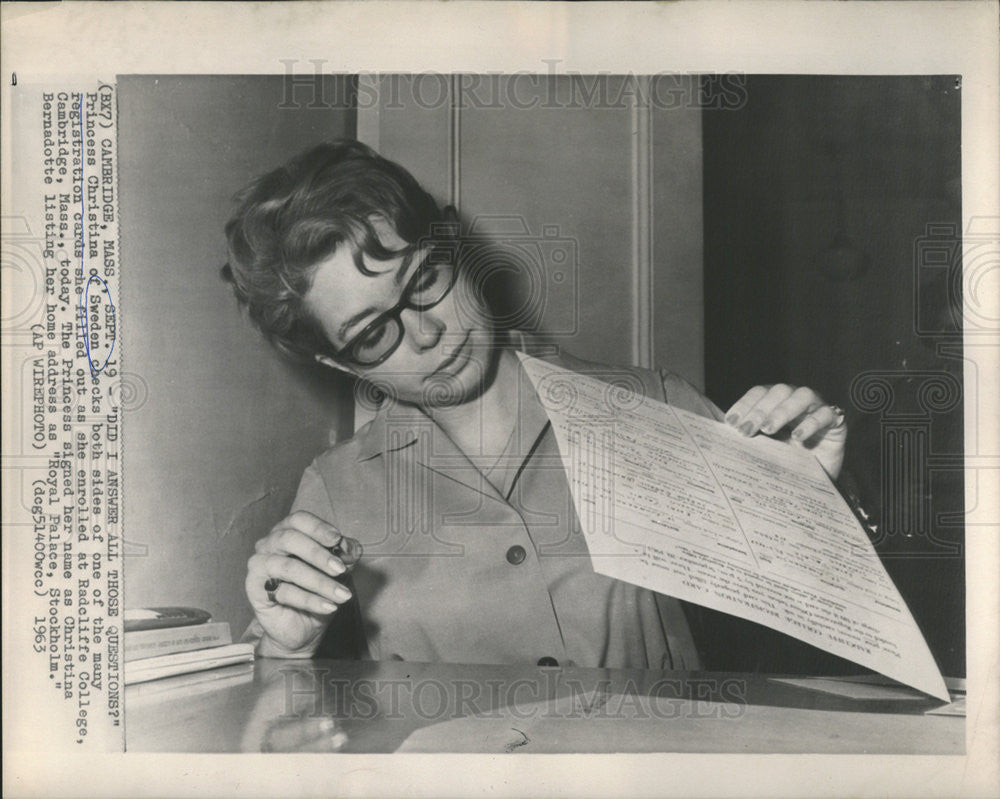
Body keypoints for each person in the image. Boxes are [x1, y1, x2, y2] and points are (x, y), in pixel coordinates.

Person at [222, 140, 848, 668]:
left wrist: (810, 507)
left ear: (454, 244)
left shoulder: (656, 406)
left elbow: (806, 633)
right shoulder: (334, 491)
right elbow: (290, 739)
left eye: (422, 281)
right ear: (337, 362)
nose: (426, 333)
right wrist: (286, 651)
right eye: (371, 335)